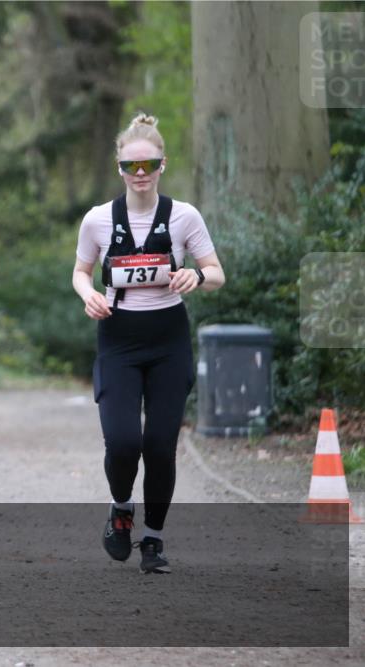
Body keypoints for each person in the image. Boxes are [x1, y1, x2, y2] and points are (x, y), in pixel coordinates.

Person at [72, 113, 225, 574]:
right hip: (118, 339)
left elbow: (217, 272)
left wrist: (196, 275)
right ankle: (122, 510)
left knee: (160, 444)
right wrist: (89, 295)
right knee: (122, 442)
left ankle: (153, 540)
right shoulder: (99, 219)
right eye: (130, 166)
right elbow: (80, 272)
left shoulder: (184, 216)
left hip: (167, 340)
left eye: (149, 165)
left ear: (163, 165)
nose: (140, 175)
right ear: (118, 167)